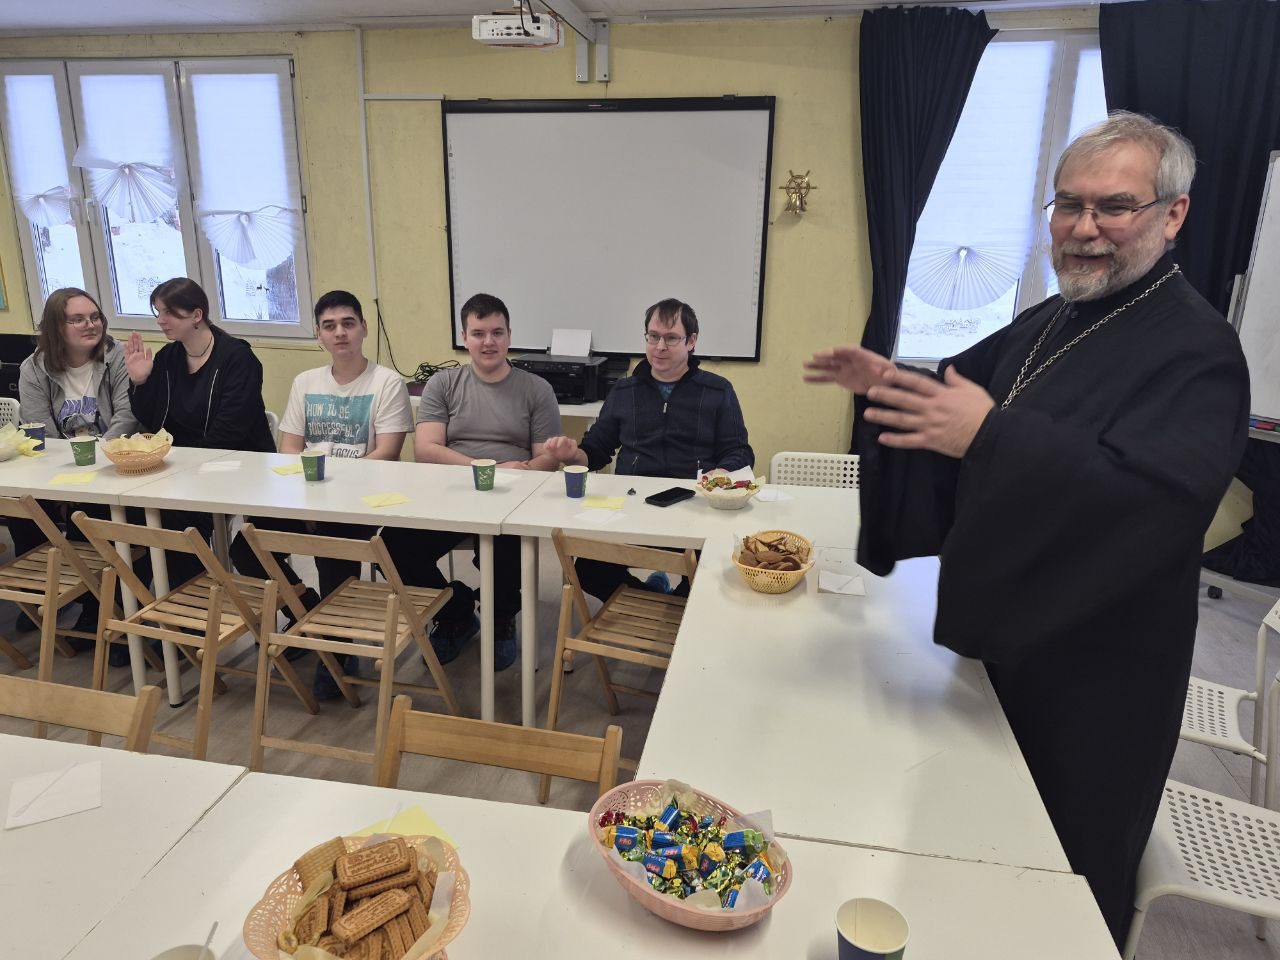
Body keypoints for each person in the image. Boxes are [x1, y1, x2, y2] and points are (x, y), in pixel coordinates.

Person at [804, 112, 1250, 948]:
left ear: (1173, 214)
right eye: (1068, 204)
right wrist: (892, 382)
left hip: (1095, 680)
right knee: (966, 842)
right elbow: (963, 386)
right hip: (1009, 638)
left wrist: (991, 438)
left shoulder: (1200, 350)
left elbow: (1152, 506)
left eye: (1114, 206)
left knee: (1048, 885)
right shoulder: (1053, 317)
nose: (1084, 229)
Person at [228, 290, 413, 698]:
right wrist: (307, 499)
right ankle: (305, 609)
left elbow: (387, 453)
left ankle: (338, 649)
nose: (339, 332)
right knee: (247, 545)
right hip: (308, 493)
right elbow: (289, 450)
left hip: (360, 500)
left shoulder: (386, 382)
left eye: (348, 323)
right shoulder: (306, 382)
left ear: (363, 328)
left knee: (333, 549)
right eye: (329, 326)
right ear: (319, 335)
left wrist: (328, 500)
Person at [381, 293, 561, 671]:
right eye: (478, 333)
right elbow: (426, 450)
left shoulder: (536, 389)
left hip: (511, 496)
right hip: (449, 494)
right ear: (464, 337)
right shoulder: (443, 384)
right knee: (392, 547)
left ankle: (500, 620)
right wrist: (485, 469)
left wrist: (521, 471)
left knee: (506, 547)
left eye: (497, 332)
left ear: (509, 335)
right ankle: (456, 611)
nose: (488, 342)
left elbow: (546, 458)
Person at [544, 297, 753, 600]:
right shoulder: (624, 390)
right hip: (632, 506)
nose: (660, 347)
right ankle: (659, 599)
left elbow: (740, 452)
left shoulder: (717, 390)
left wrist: (721, 472)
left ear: (691, 341)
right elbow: (597, 449)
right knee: (587, 571)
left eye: (671, 338)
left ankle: (671, 603)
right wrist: (572, 455)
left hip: (694, 507)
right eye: (653, 337)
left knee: (713, 576)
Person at [123, 278, 275, 597]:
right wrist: (140, 381)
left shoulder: (237, 358)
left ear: (196, 315)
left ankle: (192, 605)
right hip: (181, 469)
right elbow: (150, 418)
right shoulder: (168, 357)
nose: (161, 320)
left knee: (176, 519)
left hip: (236, 465)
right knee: (130, 513)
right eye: (158, 312)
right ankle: (141, 603)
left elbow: (230, 433)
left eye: (169, 312)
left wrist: (181, 469)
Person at [13, 287, 139, 639]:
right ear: (57, 327)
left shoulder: (117, 357)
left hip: (112, 462)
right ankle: (42, 591)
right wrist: (66, 480)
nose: (90, 325)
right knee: (25, 509)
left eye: (95, 317)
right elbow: (38, 427)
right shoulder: (33, 367)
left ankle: (95, 604)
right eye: (78, 319)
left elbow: (127, 416)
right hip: (62, 467)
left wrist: (94, 466)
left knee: (90, 514)